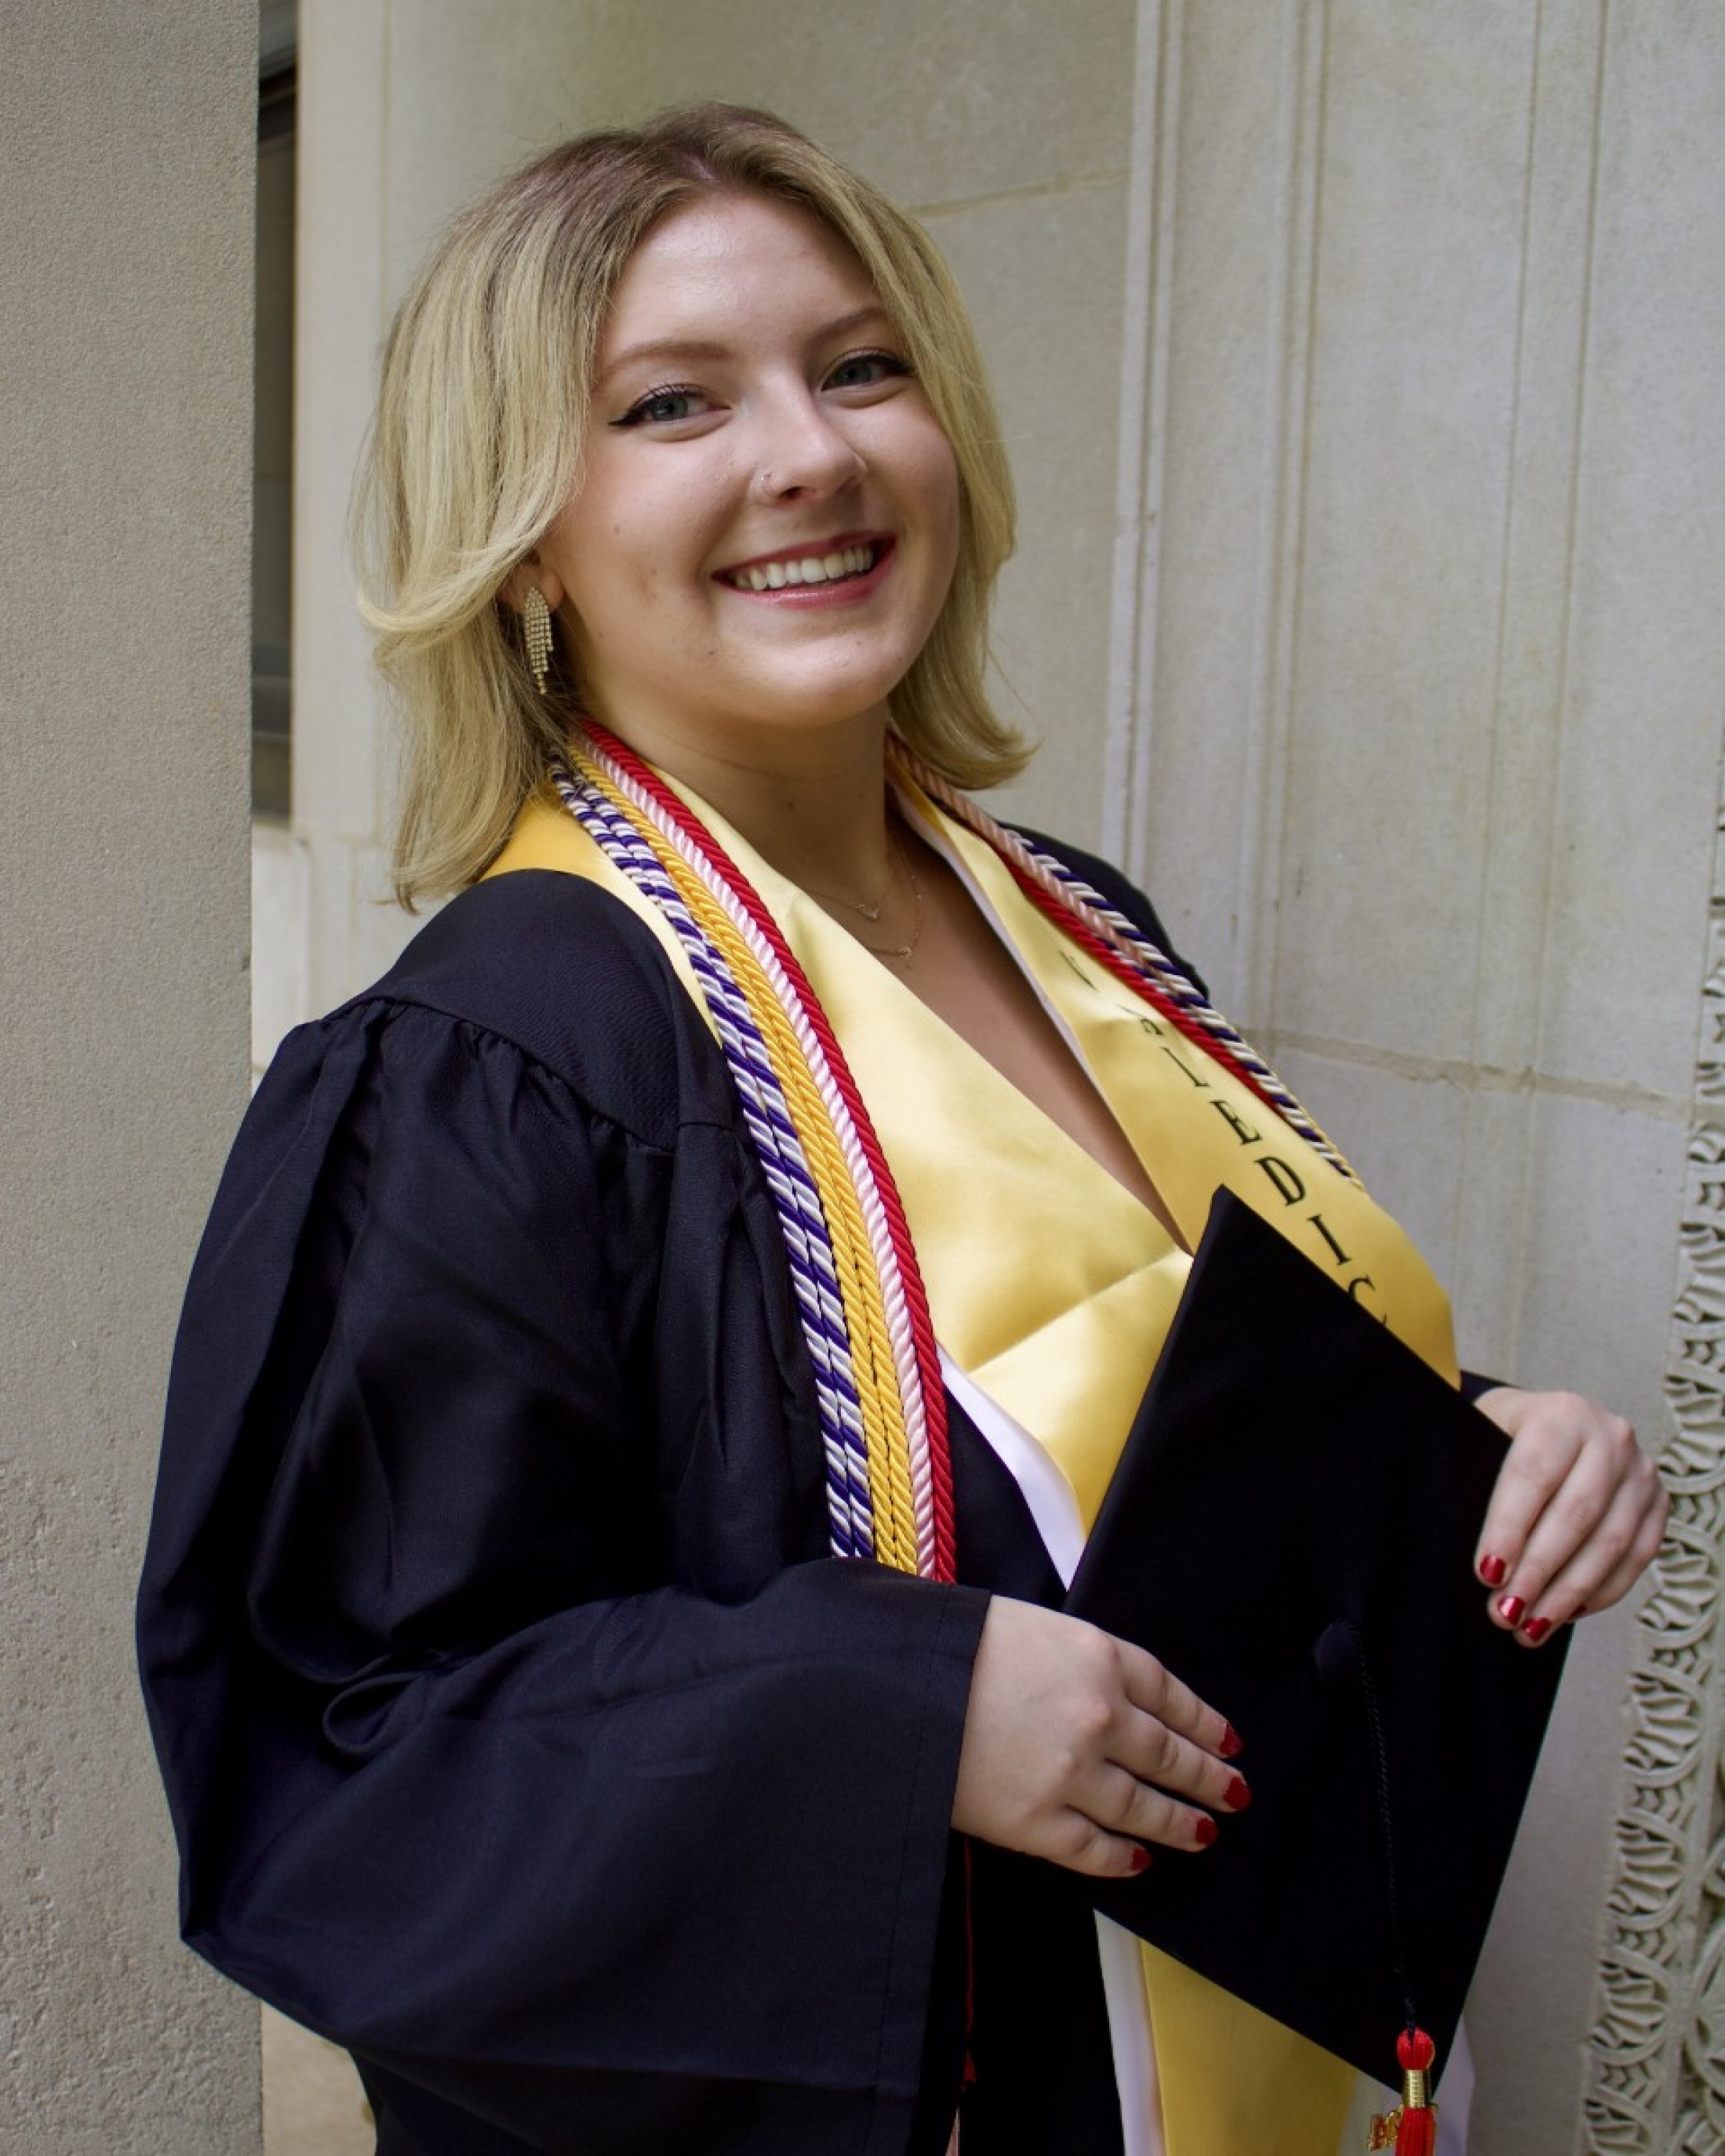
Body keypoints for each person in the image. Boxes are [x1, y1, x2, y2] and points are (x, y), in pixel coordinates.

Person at [137, 104, 1668, 2156]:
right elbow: (360, 1760)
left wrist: (1472, 1452)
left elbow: (1137, 1426)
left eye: (862, 367)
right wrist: (888, 1718)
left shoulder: (1082, 925)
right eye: (674, 404)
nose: (814, 455)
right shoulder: (498, 1063)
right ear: (523, 536)